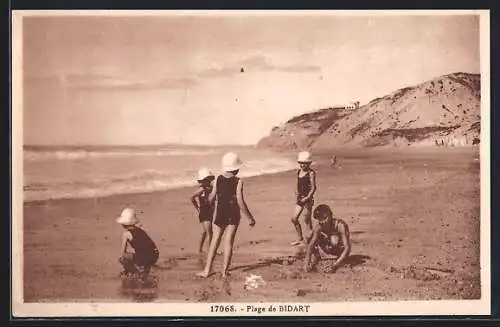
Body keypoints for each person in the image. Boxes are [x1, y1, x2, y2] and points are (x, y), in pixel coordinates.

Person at [196, 152, 256, 278]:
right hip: (233, 214)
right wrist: (250, 217)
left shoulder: (218, 178)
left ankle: (207, 270)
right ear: (236, 168)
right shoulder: (239, 181)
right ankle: (224, 271)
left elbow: (212, 197)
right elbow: (240, 201)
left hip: (220, 213)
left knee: (215, 240)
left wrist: (208, 201)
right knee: (228, 243)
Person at [304, 204, 351, 273]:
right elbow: (311, 245)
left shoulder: (340, 225)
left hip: (339, 249)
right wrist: (307, 263)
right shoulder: (319, 226)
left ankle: (338, 258)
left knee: (334, 239)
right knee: (310, 237)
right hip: (327, 246)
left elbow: (347, 248)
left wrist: (335, 265)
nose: (323, 222)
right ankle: (317, 257)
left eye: (325, 218)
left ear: (330, 215)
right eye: (320, 219)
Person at [116, 208, 159, 280]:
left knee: (122, 258)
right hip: (155, 255)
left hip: (145, 257)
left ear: (123, 224)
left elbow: (122, 253)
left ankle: (134, 272)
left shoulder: (126, 234)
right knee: (143, 252)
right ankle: (145, 270)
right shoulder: (140, 230)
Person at [290, 151, 317, 246]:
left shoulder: (311, 173)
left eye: (304, 163)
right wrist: (296, 192)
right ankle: (300, 238)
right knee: (294, 219)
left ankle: (310, 240)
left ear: (309, 163)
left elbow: (313, 188)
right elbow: (298, 184)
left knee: (307, 220)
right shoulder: (298, 172)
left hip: (308, 200)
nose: (302, 165)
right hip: (299, 198)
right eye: (300, 163)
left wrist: (308, 197)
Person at [190, 168, 215, 254]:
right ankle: (209, 251)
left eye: (209, 180)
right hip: (204, 212)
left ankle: (199, 249)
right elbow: (192, 197)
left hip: (210, 211)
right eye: (206, 180)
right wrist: (197, 208)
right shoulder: (202, 189)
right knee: (209, 232)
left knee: (205, 232)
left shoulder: (211, 188)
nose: (208, 181)